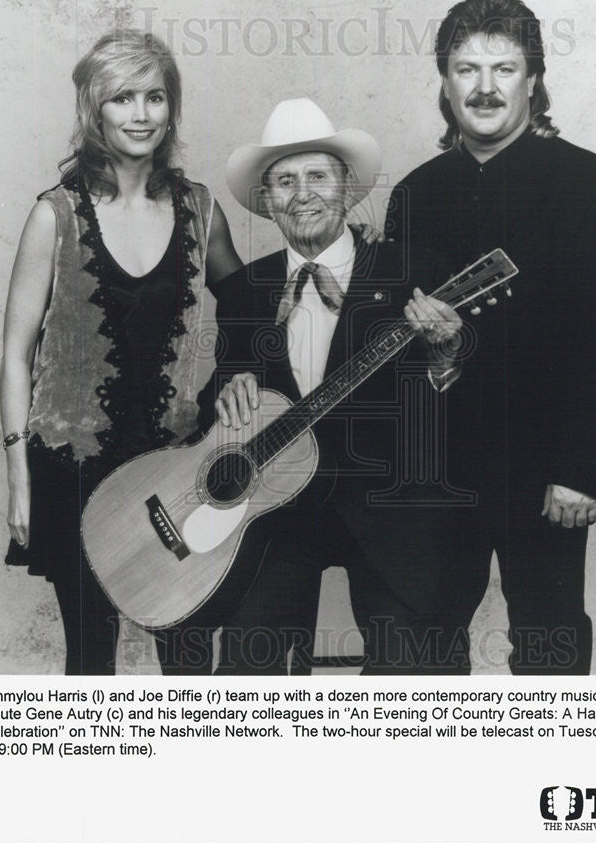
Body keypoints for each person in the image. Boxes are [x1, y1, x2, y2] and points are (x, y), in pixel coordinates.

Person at [386, 0, 596, 674]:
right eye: (466, 69)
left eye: (504, 68)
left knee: (549, 643)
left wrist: (580, 472)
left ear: (534, 79)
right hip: (438, 474)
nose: (485, 87)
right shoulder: (414, 194)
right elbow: (391, 352)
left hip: (547, 471)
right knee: (424, 652)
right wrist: (434, 357)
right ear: (445, 83)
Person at [197, 97, 468, 674]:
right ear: (267, 203)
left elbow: (463, 398)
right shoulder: (245, 290)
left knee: (415, 678)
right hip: (276, 518)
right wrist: (227, 390)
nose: (303, 193)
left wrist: (445, 356)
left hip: (390, 509)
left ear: (347, 188)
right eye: (285, 182)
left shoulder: (415, 269)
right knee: (245, 675)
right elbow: (214, 399)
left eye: (318, 175)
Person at [0, 30, 242, 675]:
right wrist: (18, 476)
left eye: (155, 97)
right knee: (91, 657)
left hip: (171, 462)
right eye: (122, 98)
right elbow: (15, 355)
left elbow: (249, 307)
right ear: (94, 110)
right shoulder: (55, 215)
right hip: (71, 465)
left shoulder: (199, 209)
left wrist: (346, 252)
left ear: (172, 107)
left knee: (187, 653)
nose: (140, 114)